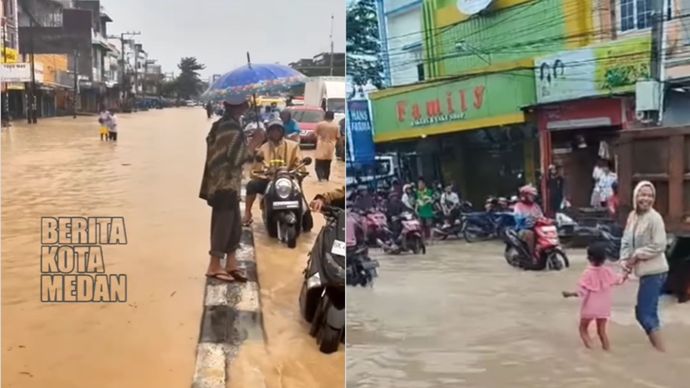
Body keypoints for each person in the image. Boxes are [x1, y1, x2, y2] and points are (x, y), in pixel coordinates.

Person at [199, 96, 252, 283]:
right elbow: (237, 157)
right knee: (223, 225)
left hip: (227, 183)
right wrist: (255, 143)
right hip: (224, 184)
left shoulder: (224, 124)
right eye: (245, 103)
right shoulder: (230, 127)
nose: (247, 105)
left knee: (234, 224)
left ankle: (231, 263)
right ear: (240, 106)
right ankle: (214, 265)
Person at [620, 180, 669, 351]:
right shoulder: (632, 217)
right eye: (643, 194)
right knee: (642, 313)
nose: (646, 199)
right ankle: (659, 349)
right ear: (636, 196)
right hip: (644, 273)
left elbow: (659, 245)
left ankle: (663, 353)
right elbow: (626, 240)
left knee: (646, 314)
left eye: (650, 196)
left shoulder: (655, 218)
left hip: (656, 272)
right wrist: (624, 262)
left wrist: (637, 255)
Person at [563, 242, 629, 350]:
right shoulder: (608, 271)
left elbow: (581, 292)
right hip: (604, 308)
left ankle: (591, 349)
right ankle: (607, 351)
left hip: (590, 308)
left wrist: (569, 294)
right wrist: (626, 273)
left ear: (589, 258)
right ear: (604, 258)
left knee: (583, 329)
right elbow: (619, 280)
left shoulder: (587, 273)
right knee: (602, 332)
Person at [243, 119, 303, 226]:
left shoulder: (293, 146)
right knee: (251, 185)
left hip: (288, 181)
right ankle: (247, 213)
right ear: (269, 133)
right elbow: (255, 170)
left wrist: (297, 172)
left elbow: (299, 164)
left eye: (278, 130)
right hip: (269, 181)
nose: (275, 133)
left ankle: (304, 214)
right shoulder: (263, 148)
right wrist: (266, 173)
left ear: (282, 132)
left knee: (300, 195)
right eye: (272, 130)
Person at [513, 185, 544, 261]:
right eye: (531, 195)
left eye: (533, 196)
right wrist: (526, 218)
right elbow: (518, 218)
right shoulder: (518, 206)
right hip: (523, 229)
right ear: (525, 195)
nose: (533, 197)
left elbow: (541, 216)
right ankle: (531, 256)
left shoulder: (536, 206)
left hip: (537, 228)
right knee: (530, 234)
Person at [314, 111, 339, 182]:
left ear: (324, 116)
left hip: (321, 145)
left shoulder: (320, 124)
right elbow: (338, 137)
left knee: (318, 165)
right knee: (327, 166)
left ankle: (320, 179)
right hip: (331, 147)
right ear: (333, 117)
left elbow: (315, 134)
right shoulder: (336, 126)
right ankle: (326, 179)